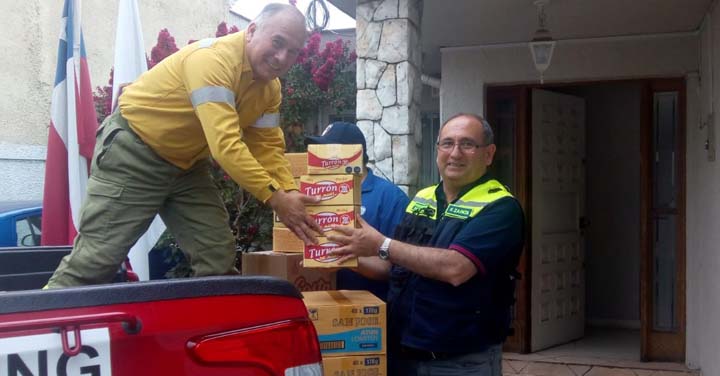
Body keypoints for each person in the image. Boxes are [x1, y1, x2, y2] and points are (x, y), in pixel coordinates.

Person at [46, 3, 322, 288]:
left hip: (187, 165)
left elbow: (266, 147)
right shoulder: (212, 61)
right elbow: (225, 146)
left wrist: (289, 192)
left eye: (293, 52)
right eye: (278, 43)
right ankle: (30, 327)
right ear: (251, 30)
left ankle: (215, 328)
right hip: (133, 151)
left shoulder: (269, 88)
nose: (282, 57)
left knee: (217, 255)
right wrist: (277, 199)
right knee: (95, 262)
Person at [328, 113, 525, 376]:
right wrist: (336, 254)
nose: (455, 153)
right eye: (447, 143)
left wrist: (380, 243)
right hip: (402, 353)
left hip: (459, 361)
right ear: (437, 151)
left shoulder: (500, 207)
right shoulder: (422, 199)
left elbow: (456, 268)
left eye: (467, 144)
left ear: (488, 154)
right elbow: (392, 267)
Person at [305, 122, 409, 300]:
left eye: (326, 152)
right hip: (320, 307)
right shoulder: (316, 193)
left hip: (369, 315)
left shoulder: (391, 198)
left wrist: (348, 260)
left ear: (350, 155)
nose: (319, 159)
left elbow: (395, 268)